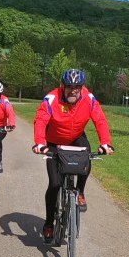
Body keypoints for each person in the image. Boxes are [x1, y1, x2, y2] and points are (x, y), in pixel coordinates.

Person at [32, 68, 114, 243]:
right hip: (53, 141)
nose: (73, 90)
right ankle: (48, 224)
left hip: (76, 138)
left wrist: (105, 142)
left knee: (86, 159)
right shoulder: (52, 98)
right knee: (55, 184)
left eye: (77, 87)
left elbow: (100, 119)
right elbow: (41, 119)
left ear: (82, 87)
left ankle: (80, 191)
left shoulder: (89, 99)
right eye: (69, 86)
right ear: (62, 86)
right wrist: (40, 142)